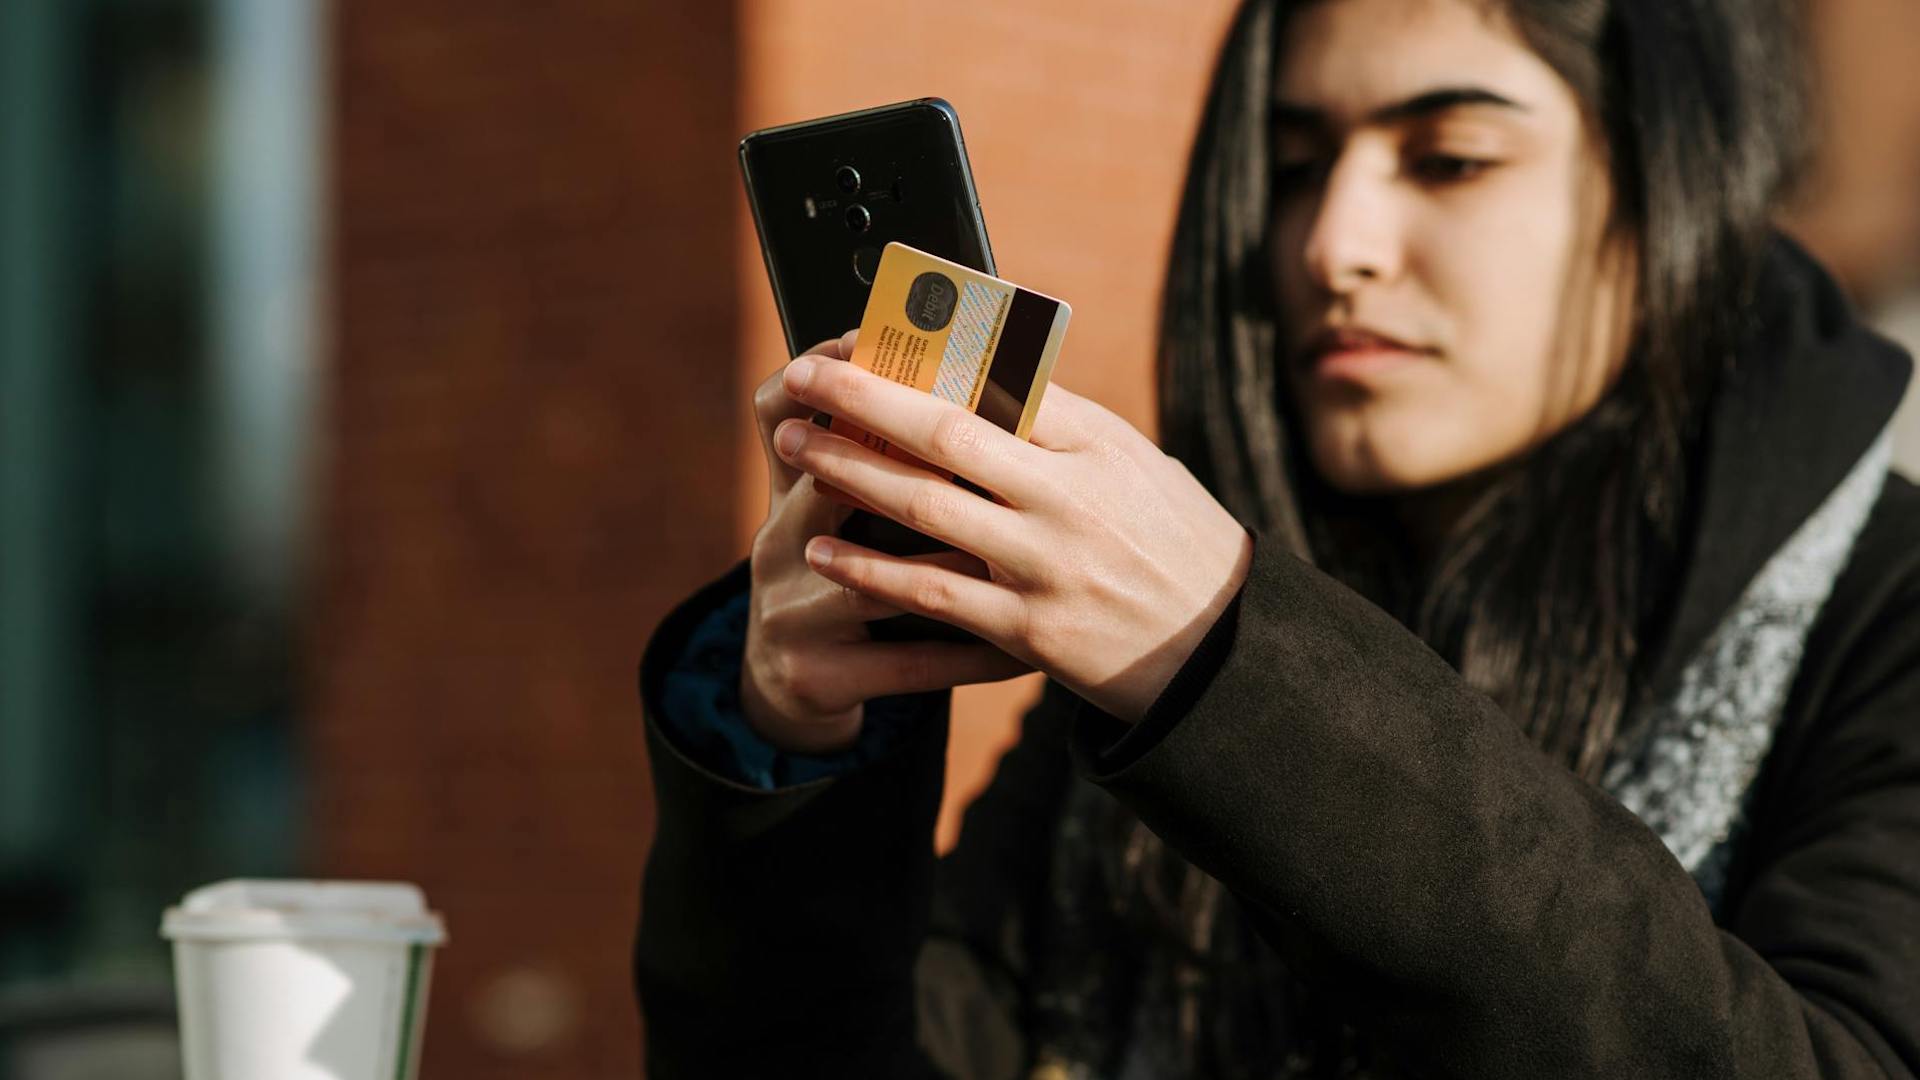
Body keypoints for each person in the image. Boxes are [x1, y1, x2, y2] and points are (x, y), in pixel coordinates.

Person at [635, 0, 1920, 1075]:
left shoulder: (1886, 612)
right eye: (1294, 167)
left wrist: (1231, 658)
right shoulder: (1129, 679)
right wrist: (795, 747)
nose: (1334, 245)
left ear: (1663, 186)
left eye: (1451, 159)